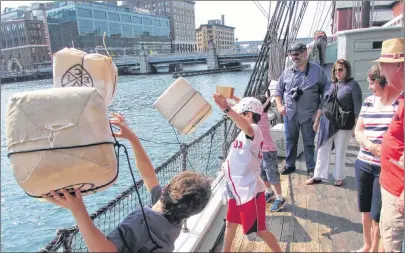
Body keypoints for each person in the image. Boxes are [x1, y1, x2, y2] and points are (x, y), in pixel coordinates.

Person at [43, 112, 212, 252]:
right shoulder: (173, 218)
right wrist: (133, 140)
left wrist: (78, 210)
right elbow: (149, 176)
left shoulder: (140, 223)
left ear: (167, 187)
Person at [212, 94, 282, 252]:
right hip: (236, 189)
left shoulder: (254, 130)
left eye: (242, 114)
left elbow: (247, 127)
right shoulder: (243, 133)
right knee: (230, 223)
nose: (238, 118)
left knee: (259, 230)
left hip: (250, 191)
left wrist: (226, 109)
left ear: (249, 115)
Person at [351, 65, 402, 253]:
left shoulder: (399, 105)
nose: (370, 87)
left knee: (377, 213)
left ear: (384, 82)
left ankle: (374, 248)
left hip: (384, 168)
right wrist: (370, 145)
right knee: (364, 209)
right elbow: (358, 130)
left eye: (372, 83)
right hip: (363, 162)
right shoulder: (369, 102)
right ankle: (367, 245)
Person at [274, 42, 329, 175]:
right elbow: (278, 91)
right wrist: (280, 106)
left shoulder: (317, 71)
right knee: (290, 140)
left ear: (305, 53)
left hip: (309, 114)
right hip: (290, 114)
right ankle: (290, 164)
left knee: (309, 142)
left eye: (297, 54)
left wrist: (319, 112)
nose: (294, 57)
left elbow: (326, 92)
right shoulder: (286, 72)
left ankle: (311, 166)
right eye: (292, 55)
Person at [306, 59, 362, 186]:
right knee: (322, 149)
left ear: (347, 70)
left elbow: (358, 108)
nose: (338, 72)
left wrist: (356, 127)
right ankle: (318, 175)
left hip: (343, 124)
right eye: (335, 70)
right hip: (327, 122)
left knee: (340, 150)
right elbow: (323, 103)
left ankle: (339, 176)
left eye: (340, 69)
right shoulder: (330, 85)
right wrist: (317, 119)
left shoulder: (353, 86)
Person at [375, 38, 404, 252]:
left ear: (399, 65)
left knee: (393, 242)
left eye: (383, 64)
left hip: (398, 190)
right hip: (391, 183)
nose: (381, 69)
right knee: (387, 234)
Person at [256, 94, 285, 212]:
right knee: (263, 174)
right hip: (261, 152)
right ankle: (269, 191)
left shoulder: (261, 116)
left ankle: (280, 198)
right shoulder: (255, 116)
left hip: (268, 151)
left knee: (272, 176)